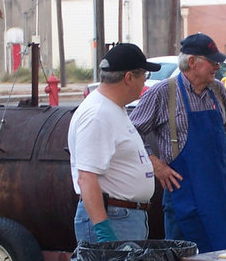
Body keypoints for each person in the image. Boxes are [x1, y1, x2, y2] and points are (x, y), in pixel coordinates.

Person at [131, 33, 226, 261]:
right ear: (192, 62)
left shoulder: (219, 91)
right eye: (212, 62)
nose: (217, 67)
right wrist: (156, 165)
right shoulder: (162, 93)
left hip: (218, 197)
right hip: (182, 197)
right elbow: (131, 132)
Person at [68, 43, 161, 244]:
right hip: (114, 217)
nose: (145, 83)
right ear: (128, 78)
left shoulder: (112, 108)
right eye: (143, 76)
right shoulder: (98, 115)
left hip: (123, 216)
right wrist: (103, 233)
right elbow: (87, 178)